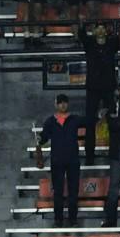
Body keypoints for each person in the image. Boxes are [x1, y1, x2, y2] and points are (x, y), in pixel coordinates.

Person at [35, 95, 85, 227]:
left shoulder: (75, 119)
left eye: (65, 103)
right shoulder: (50, 121)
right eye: (60, 103)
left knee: (73, 191)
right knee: (58, 191)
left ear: (68, 104)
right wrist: (39, 141)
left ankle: (73, 219)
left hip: (73, 160)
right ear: (56, 105)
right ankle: (58, 219)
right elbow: (44, 137)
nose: (63, 105)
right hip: (57, 161)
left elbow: (90, 122)